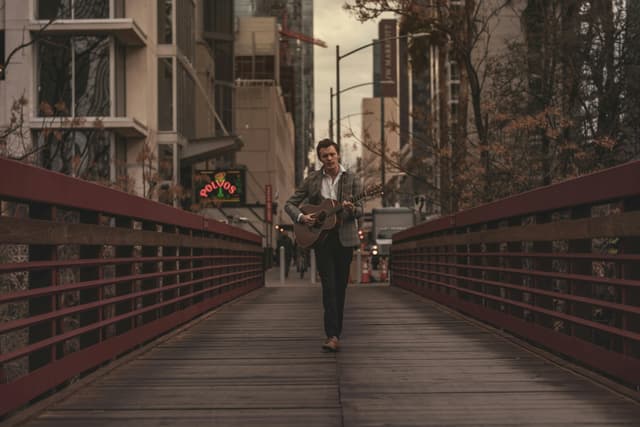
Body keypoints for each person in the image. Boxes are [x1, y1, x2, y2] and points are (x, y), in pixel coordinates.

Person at [285, 138, 363, 352]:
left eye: (332, 154)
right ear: (319, 158)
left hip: (344, 239)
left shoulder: (353, 179)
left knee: (340, 288)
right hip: (322, 240)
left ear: (338, 155)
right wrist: (302, 217)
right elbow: (289, 204)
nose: (329, 158)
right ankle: (332, 335)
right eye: (324, 155)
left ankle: (336, 331)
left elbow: (360, 210)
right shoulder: (312, 180)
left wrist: (350, 208)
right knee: (328, 287)